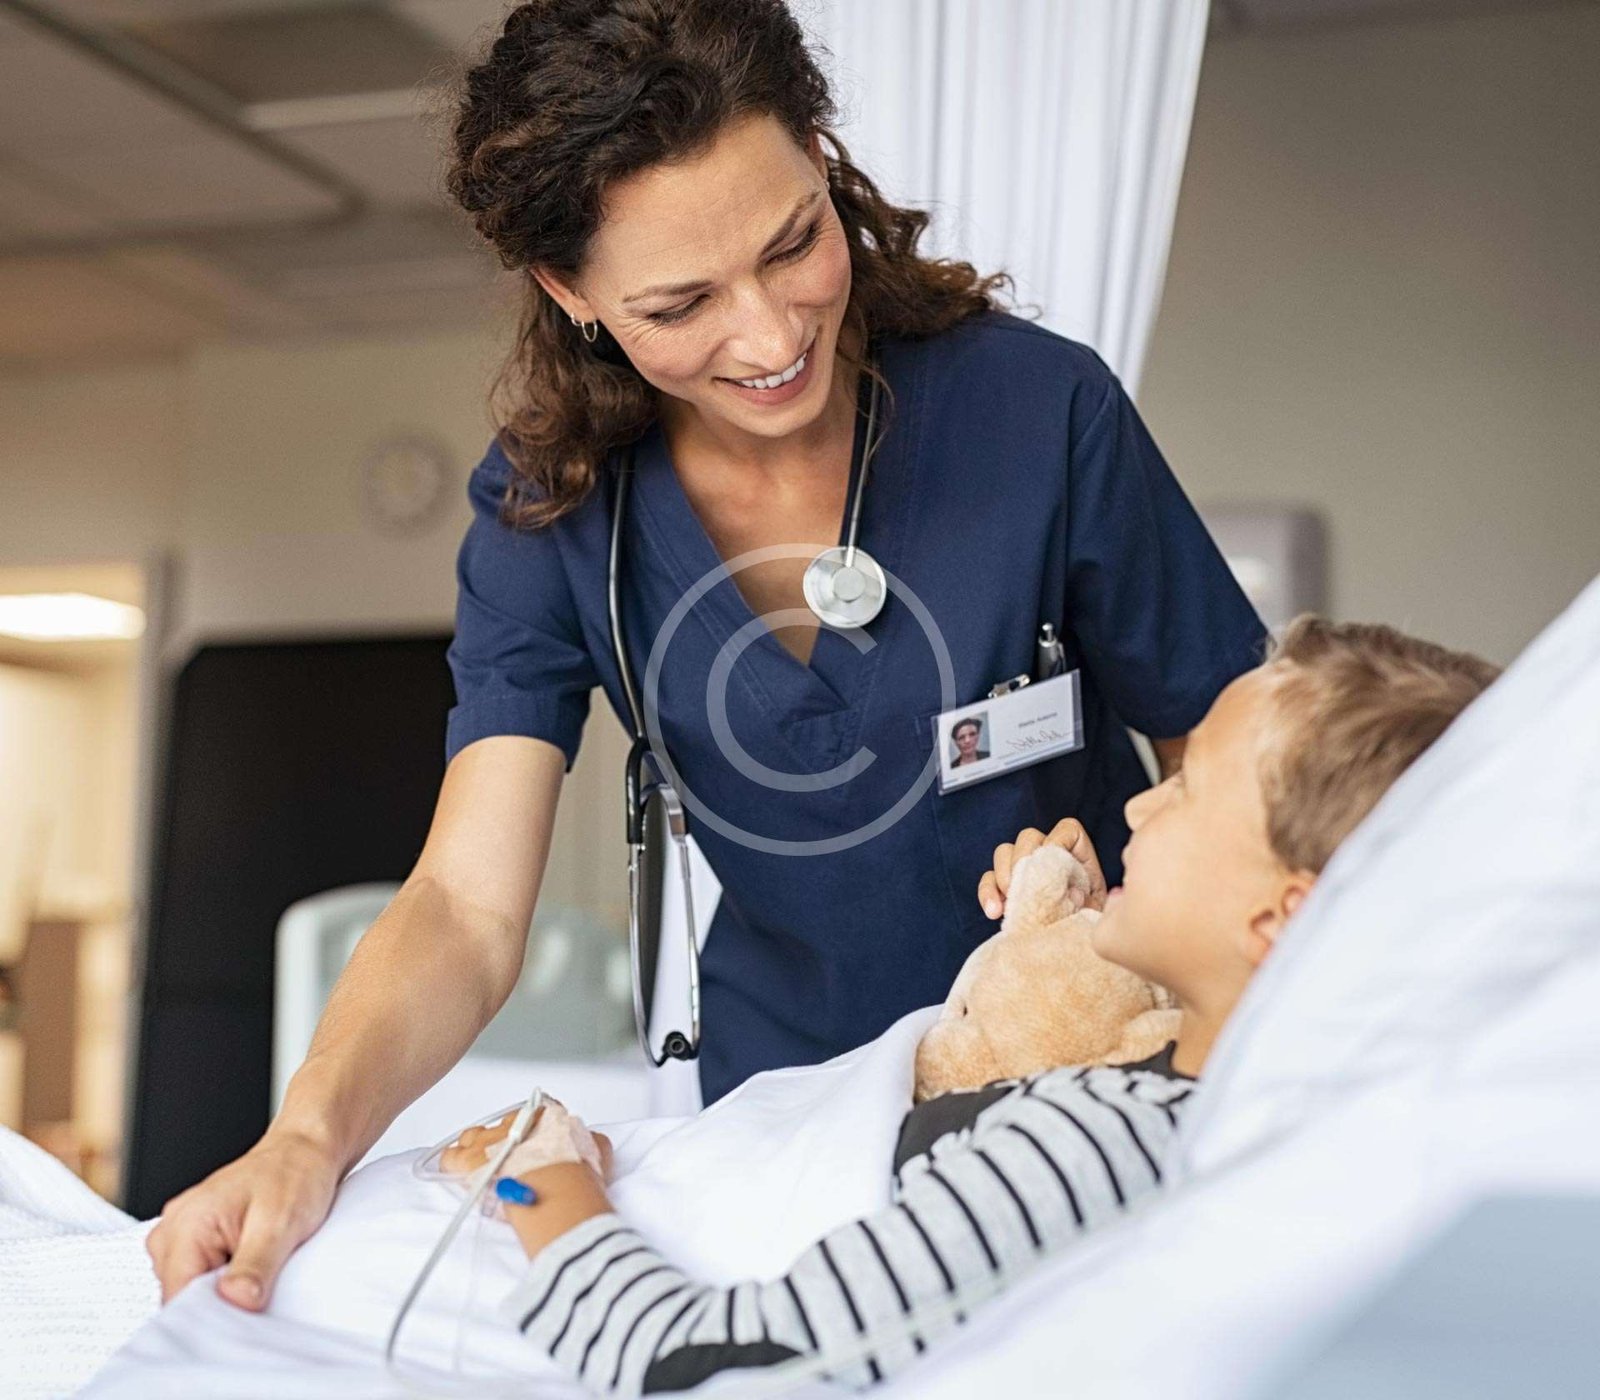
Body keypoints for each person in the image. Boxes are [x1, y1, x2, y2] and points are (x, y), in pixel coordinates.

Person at [147, 0, 1264, 1310]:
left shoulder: (1036, 412)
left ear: (818, 148)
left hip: (1084, 1080)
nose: (771, 335)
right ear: (574, 294)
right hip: (788, 1117)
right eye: (681, 303)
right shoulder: (553, 512)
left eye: (793, 241)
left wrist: (1251, 1042)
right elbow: (464, 904)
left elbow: (1235, 755)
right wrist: (308, 1135)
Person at [438, 618, 1500, 1395]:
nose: (1134, 804)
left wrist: (541, 1178)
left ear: (1281, 919)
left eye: (1184, 790)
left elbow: (703, 1365)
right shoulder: (1194, 1107)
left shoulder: (1098, 1144)